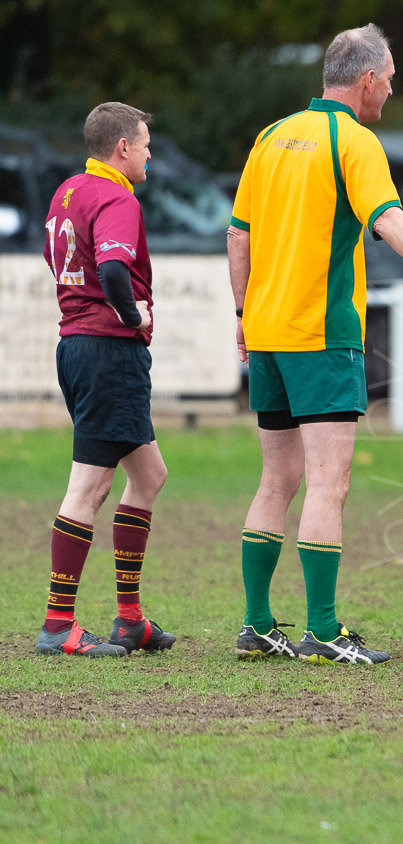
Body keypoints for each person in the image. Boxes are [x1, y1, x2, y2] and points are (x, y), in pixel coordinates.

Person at [227, 24, 403, 665]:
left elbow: (238, 235)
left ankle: (258, 624)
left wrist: (242, 312)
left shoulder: (270, 136)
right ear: (366, 79)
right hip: (322, 333)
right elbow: (387, 215)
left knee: (276, 478)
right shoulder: (353, 139)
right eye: (389, 79)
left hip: (268, 332)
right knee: (327, 484)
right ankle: (323, 630)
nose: (391, 91)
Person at [35, 102, 173, 658]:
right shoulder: (117, 197)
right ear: (122, 148)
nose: (148, 154)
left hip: (76, 345)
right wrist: (133, 315)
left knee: (150, 475)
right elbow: (114, 270)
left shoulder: (67, 191)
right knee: (88, 487)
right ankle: (56, 624)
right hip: (108, 353)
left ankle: (129, 619)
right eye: (144, 144)